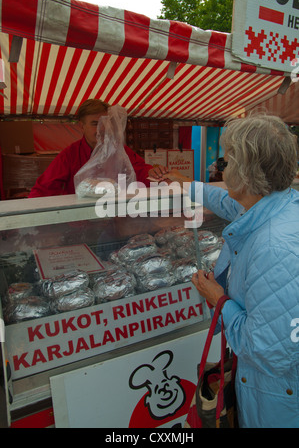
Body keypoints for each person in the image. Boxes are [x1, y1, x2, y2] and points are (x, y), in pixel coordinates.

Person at [169, 114, 299, 428]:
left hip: (275, 402)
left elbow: (267, 353)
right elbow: (227, 203)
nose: (223, 168)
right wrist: (190, 187)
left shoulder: (274, 247)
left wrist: (219, 300)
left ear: (245, 172)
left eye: (228, 161)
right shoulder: (278, 202)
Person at [28, 100, 168, 198]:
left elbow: (141, 170)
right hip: (82, 222)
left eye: (105, 122)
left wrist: (152, 172)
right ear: (81, 126)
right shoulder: (69, 155)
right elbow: (42, 189)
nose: (101, 128)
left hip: (116, 220)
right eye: (95, 123)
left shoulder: (119, 151)